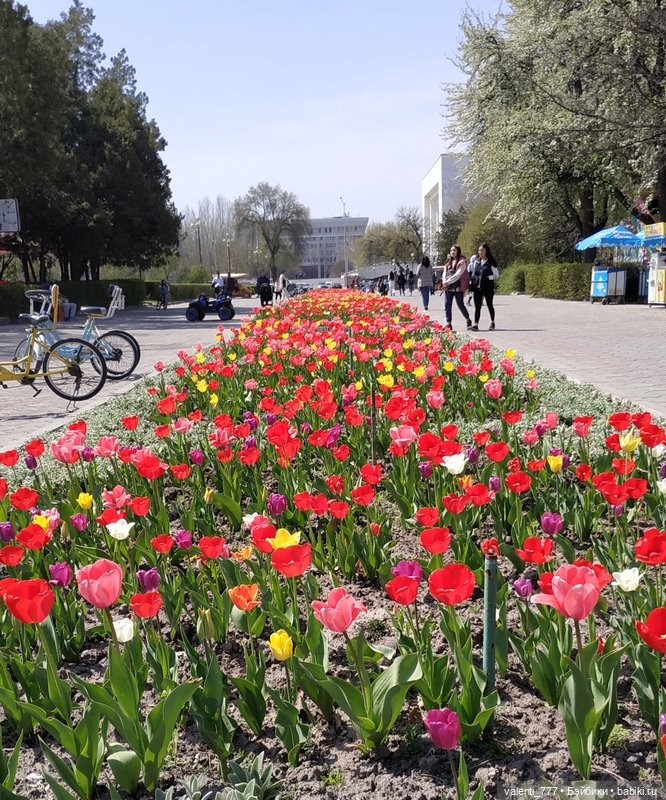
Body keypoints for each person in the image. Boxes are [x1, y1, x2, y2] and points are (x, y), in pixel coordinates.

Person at [441, 245, 472, 332]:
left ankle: (468, 319)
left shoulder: (462, 262)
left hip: (457, 288)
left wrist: (448, 282)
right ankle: (449, 323)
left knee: (460, 305)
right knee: (447, 305)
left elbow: (458, 274)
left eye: (454, 250)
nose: (452, 252)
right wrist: (444, 281)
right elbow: (444, 273)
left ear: (458, 251)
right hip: (448, 288)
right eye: (451, 251)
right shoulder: (448, 262)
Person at [470, 242, 499, 331]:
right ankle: (475, 324)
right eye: (479, 250)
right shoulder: (476, 261)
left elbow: (496, 275)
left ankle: (492, 322)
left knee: (489, 304)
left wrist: (488, 277)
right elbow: (473, 273)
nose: (480, 252)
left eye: (482, 250)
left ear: (486, 251)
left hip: (488, 287)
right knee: (477, 306)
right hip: (477, 287)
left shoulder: (491, 262)